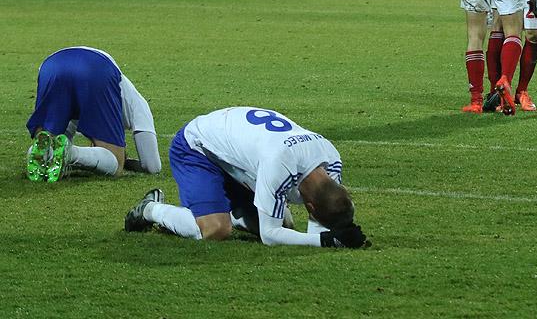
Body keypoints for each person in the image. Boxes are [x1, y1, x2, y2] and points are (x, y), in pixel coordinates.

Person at [124, 106, 370, 248]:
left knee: (286, 226)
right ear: (310, 207)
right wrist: (327, 241)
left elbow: (317, 220)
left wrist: (336, 234)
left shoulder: (330, 157)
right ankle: (151, 209)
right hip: (197, 146)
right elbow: (269, 237)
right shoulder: (280, 165)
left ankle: (233, 214)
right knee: (215, 230)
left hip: (239, 155)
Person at [25, 46, 161, 182]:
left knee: (50, 143)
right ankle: (71, 154)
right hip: (97, 69)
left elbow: (64, 137)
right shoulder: (140, 105)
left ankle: (37, 155)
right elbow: (152, 166)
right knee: (116, 164)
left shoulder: (81, 111)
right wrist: (125, 161)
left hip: (51, 65)